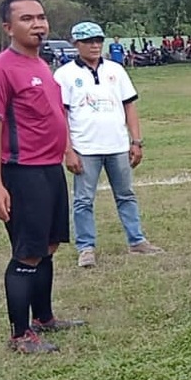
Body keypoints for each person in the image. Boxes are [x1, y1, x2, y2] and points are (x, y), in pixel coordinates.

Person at [0, 0, 85, 354]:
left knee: (49, 245)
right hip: (22, 174)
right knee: (27, 252)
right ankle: (20, 335)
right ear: (8, 27)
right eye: (27, 19)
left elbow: (54, 117)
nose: (37, 24)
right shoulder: (0, 70)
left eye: (40, 17)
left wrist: (68, 150)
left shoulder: (43, 66)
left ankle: (43, 318)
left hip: (50, 170)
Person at [53, 21, 163, 268]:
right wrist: (68, 150)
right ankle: (86, 248)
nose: (94, 45)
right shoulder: (64, 75)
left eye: (98, 40)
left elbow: (129, 106)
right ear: (76, 44)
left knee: (126, 195)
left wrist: (136, 141)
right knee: (83, 200)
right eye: (88, 41)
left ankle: (136, 240)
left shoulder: (116, 70)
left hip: (118, 146)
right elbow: (61, 116)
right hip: (85, 148)